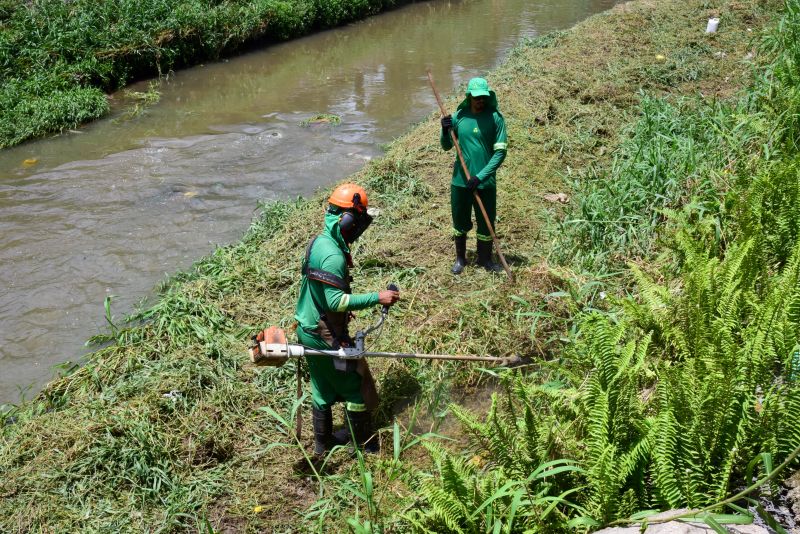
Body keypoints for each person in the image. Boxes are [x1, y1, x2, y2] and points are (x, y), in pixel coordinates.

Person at [294, 183, 400, 456]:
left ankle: (322, 444)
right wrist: (377, 297)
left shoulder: (320, 242)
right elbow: (334, 301)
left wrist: (340, 312)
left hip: (307, 327)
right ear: (348, 219)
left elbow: (317, 292)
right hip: (323, 333)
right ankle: (360, 443)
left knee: (321, 386)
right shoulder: (332, 255)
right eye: (358, 221)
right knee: (354, 384)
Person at [440, 77, 508, 274]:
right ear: (469, 97)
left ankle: (485, 259)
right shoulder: (460, 116)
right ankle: (460, 259)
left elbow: (500, 153)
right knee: (459, 221)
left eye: (483, 97)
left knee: (487, 222)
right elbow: (446, 146)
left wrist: (481, 176)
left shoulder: (496, 118)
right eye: (476, 97)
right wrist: (445, 130)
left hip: (485, 183)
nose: (480, 101)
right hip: (460, 181)